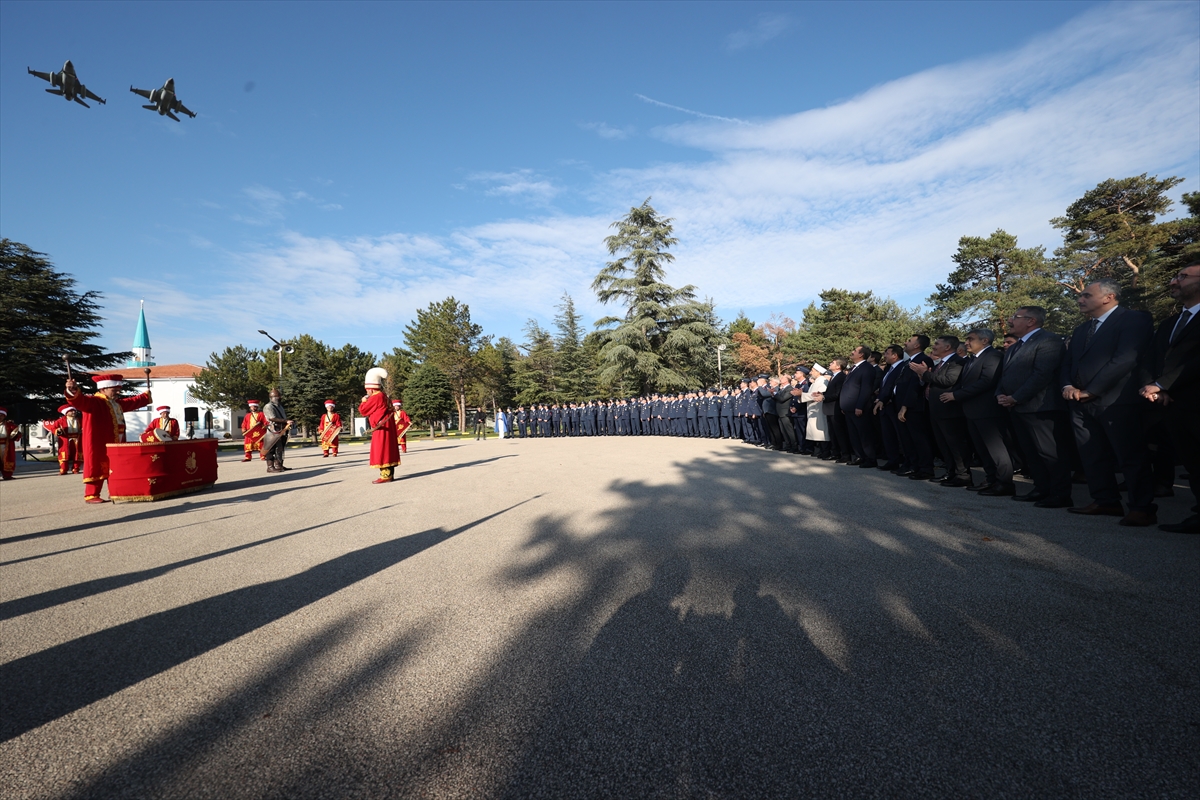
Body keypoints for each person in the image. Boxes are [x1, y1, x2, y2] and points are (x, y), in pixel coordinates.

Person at [1061, 280, 1156, 526]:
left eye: (1086, 295)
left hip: (1117, 401)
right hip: (1080, 402)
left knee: (1130, 455)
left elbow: (1125, 359)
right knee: (1092, 455)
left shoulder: (1134, 319)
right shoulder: (1082, 329)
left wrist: (1092, 390)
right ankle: (1105, 501)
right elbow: (1069, 363)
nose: (1080, 299)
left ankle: (1141, 507)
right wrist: (1068, 386)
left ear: (1108, 297)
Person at [1140, 264, 1200, 533]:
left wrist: (1164, 383)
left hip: (1194, 398)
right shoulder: (1169, 323)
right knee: (1192, 460)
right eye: (1174, 276)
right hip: (1171, 405)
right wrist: (1154, 386)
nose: (1174, 281)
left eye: (1182, 277)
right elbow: (1152, 358)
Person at [996, 307, 1073, 508]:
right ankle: (1041, 488)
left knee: (1050, 452)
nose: (1011, 320)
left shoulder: (1048, 340)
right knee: (1030, 451)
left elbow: (1042, 375)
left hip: (1041, 407)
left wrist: (1016, 397)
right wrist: (1001, 394)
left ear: (1030, 321)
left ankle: (1060, 493)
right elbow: (1005, 376)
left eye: (1015, 317)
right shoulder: (1014, 347)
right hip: (1017, 407)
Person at [64, 373, 152, 503]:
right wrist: (72, 390)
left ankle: (115, 492)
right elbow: (79, 400)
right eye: (114, 390)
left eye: (118, 390)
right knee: (97, 464)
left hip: (118, 439)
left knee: (116, 466)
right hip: (100, 440)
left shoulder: (115, 403)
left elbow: (131, 402)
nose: (117, 392)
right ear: (103, 389)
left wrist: (145, 396)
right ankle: (91, 495)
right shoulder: (94, 402)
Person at [916, 336, 971, 486]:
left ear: (947, 347)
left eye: (937, 344)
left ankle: (963, 475)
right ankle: (951, 472)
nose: (933, 347)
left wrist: (925, 373)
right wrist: (923, 374)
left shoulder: (957, 361)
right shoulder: (941, 363)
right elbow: (933, 380)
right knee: (944, 444)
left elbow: (948, 381)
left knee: (956, 444)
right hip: (936, 409)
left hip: (950, 411)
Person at [841, 346, 879, 467]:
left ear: (861, 354)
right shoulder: (854, 368)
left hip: (858, 408)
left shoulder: (867, 368)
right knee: (854, 434)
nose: (852, 352)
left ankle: (870, 459)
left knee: (864, 435)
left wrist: (860, 406)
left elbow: (865, 390)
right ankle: (859, 456)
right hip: (849, 408)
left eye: (855, 351)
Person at [359, 367, 400, 483]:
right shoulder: (383, 396)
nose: (367, 392)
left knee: (382, 449)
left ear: (371, 389)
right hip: (386, 426)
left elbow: (363, 410)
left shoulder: (376, 397)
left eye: (367, 390)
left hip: (381, 428)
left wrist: (363, 401)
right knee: (387, 448)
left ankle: (385, 476)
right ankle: (388, 474)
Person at [43, 405, 83, 475]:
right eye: (71, 411)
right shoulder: (60, 421)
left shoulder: (79, 420)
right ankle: (63, 469)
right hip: (65, 440)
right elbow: (53, 428)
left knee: (77, 454)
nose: (74, 412)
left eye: (74, 411)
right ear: (66, 412)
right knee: (64, 455)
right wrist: (58, 431)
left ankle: (76, 468)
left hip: (77, 439)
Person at [261, 388, 292, 474]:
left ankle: (279, 465)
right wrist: (286, 421)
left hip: (281, 430)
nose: (280, 398)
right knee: (271, 449)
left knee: (280, 449)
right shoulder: (268, 406)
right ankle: (270, 467)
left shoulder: (280, 406)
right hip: (273, 430)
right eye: (278, 396)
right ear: (273, 397)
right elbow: (272, 418)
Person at [0, 408, 20, 480]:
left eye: (1, 415)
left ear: (4, 416)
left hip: (6, 446)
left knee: (7, 459)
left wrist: (15, 435)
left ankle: (7, 475)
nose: (0, 416)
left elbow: (17, 433)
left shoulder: (9, 425)